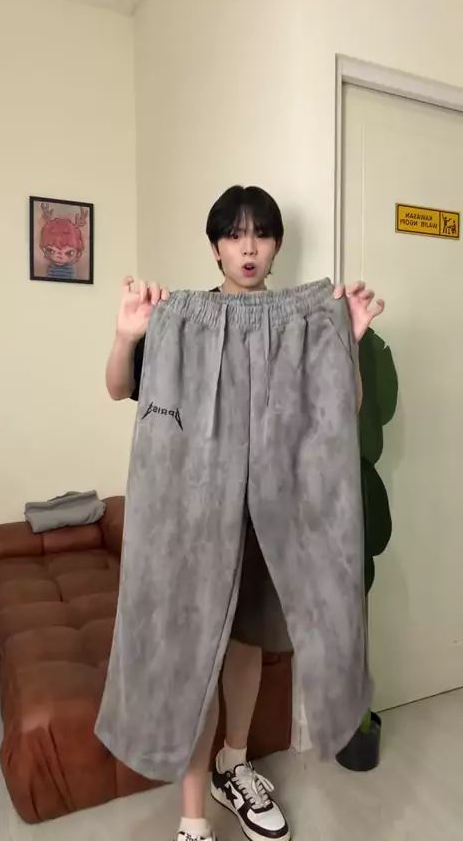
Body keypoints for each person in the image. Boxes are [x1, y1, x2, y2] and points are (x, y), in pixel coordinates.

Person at [105, 186, 384, 841]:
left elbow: (342, 410)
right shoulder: (180, 322)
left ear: (277, 244)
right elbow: (119, 387)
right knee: (193, 648)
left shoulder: (304, 328)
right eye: (234, 235)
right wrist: (126, 336)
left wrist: (348, 341)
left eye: (260, 234)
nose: (249, 247)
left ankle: (234, 765)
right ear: (216, 247)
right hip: (197, 516)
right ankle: (192, 818)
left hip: (271, 517)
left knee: (248, 642)